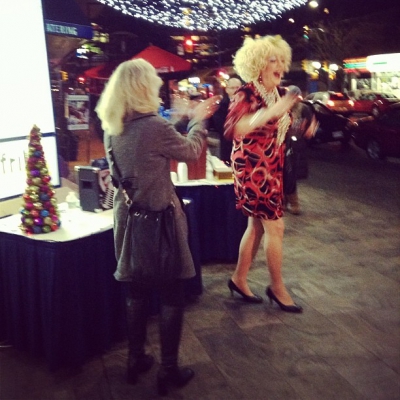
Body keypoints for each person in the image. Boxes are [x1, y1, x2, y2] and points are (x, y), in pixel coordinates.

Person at [95, 59, 220, 395]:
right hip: (159, 219)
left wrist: (179, 118)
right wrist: (197, 120)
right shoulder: (152, 127)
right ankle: (168, 370)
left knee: (135, 292)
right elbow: (192, 151)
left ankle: (135, 360)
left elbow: (148, 146)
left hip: (127, 218)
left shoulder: (113, 125)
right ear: (142, 88)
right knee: (171, 295)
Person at [224, 35, 318, 313]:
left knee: (256, 225)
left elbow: (283, 126)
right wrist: (271, 112)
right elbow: (235, 128)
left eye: (280, 60)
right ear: (257, 65)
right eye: (271, 60)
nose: (279, 65)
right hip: (253, 169)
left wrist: (303, 128)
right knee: (274, 226)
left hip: (272, 168)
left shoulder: (277, 93)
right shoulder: (247, 93)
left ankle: (239, 279)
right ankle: (277, 287)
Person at [208, 77, 242, 163]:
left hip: (245, 150)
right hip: (229, 150)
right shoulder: (221, 107)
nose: (235, 90)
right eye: (232, 88)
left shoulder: (247, 104)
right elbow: (223, 129)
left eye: (238, 87)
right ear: (227, 90)